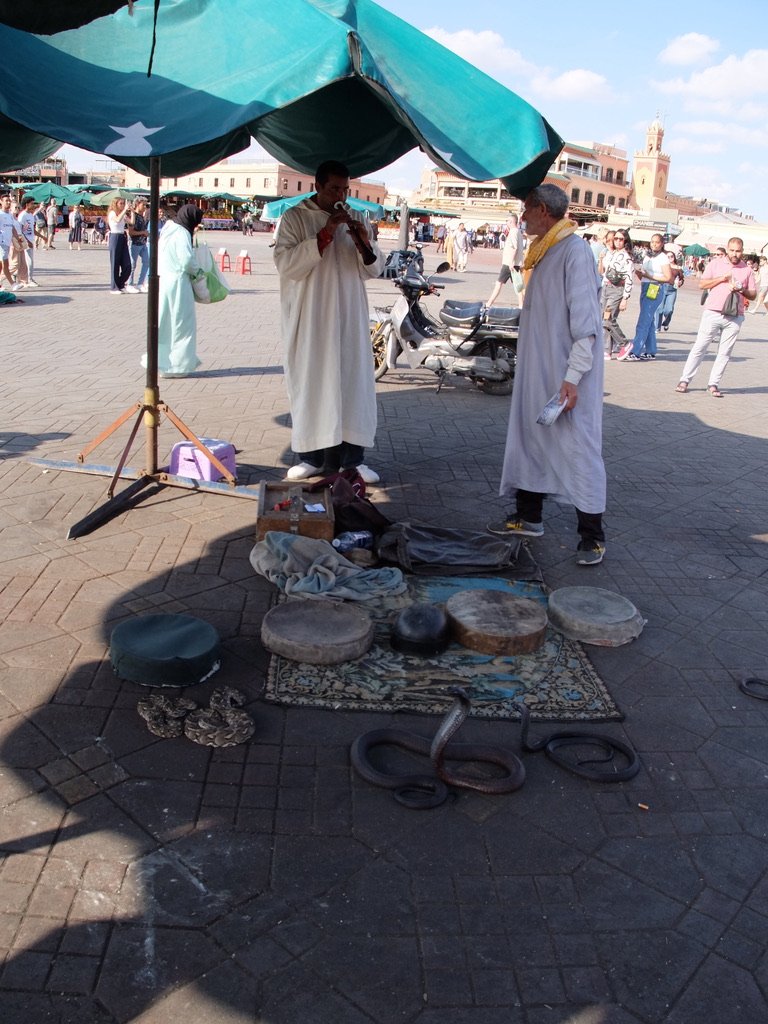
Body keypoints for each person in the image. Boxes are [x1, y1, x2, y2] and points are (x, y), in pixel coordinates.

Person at [487, 184, 607, 566]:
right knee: (530, 439)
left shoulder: (575, 251)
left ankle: (592, 537)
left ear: (542, 210)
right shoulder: (546, 250)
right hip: (538, 371)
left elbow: (586, 323)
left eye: (525, 210)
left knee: (578, 449)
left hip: (565, 375)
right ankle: (529, 517)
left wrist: (572, 377)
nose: (521, 218)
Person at [273, 159, 384, 484]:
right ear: (318, 187)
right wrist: (325, 233)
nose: (342, 195)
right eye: (335, 188)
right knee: (314, 383)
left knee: (352, 384)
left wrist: (364, 240)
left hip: (349, 314)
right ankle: (312, 456)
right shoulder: (294, 218)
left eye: (345, 189)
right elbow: (286, 265)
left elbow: (373, 270)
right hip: (311, 317)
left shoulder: (358, 217)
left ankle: (354, 460)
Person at [675, 237, 756, 398]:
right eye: (732, 250)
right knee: (700, 347)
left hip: (734, 316)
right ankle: (685, 380)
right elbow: (702, 285)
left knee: (724, 352)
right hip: (713, 312)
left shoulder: (747, 270)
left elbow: (753, 295)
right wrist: (721, 279)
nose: (735, 254)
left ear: (742, 251)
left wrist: (741, 289)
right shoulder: (715, 264)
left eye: (738, 251)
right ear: (727, 249)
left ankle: (713, 384)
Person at [141, 204, 203, 377]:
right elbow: (186, 260)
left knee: (164, 323)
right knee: (181, 324)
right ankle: (179, 365)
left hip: (163, 282)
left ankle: (161, 363)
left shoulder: (168, 229)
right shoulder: (182, 233)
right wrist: (198, 271)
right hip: (178, 284)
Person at [616, 233, 673, 361]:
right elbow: (644, 275)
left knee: (644, 319)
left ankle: (635, 351)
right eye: (652, 242)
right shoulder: (648, 255)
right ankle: (651, 349)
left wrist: (649, 276)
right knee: (649, 320)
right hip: (646, 286)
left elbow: (668, 278)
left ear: (662, 243)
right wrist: (639, 272)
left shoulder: (663, 258)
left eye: (657, 242)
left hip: (655, 287)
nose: (654, 244)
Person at [600, 229, 634, 358]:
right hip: (606, 288)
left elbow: (629, 278)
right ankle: (607, 349)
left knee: (608, 319)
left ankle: (624, 344)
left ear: (625, 241)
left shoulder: (626, 257)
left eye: (621, 239)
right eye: (616, 239)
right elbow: (604, 271)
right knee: (604, 318)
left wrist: (625, 298)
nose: (617, 241)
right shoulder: (612, 253)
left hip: (616, 290)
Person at [486, 214, 525, 308]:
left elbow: (514, 248)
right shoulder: (518, 232)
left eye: (507, 221)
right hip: (515, 263)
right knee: (518, 286)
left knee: (499, 283)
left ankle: (488, 304)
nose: (506, 223)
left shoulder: (513, 232)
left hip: (509, 263)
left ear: (511, 221)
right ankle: (521, 305)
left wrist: (511, 261)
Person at [107, 197, 137, 294]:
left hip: (122, 237)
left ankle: (120, 283)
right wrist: (124, 210)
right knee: (115, 263)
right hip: (114, 236)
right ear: (115, 204)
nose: (123, 205)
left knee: (127, 264)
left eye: (124, 203)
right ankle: (114, 287)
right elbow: (117, 220)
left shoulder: (123, 214)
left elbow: (132, 222)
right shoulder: (112, 213)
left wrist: (132, 212)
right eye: (121, 203)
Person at [655, 252, 684, 332]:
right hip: (662, 287)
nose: (670, 258)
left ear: (674, 257)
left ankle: (666, 322)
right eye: (668, 256)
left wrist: (680, 282)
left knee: (669, 310)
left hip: (672, 289)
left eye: (672, 256)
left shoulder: (678, 267)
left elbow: (681, 278)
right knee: (659, 309)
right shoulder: (663, 266)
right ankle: (657, 327)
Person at [0, 193, 23, 290]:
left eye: (9, 201)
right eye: (6, 201)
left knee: (1, 266)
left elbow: (12, 227)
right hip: (1, 243)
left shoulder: (9, 215)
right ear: (1, 202)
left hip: (7, 242)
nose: (8, 202)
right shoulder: (0, 214)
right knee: (6, 264)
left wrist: (18, 238)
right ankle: (13, 284)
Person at [127, 198, 150, 292]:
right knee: (133, 264)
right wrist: (143, 233)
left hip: (143, 243)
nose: (145, 207)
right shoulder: (134, 216)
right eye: (143, 205)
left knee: (147, 261)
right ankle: (129, 283)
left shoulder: (141, 216)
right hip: (134, 243)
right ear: (137, 204)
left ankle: (140, 283)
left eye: (146, 205)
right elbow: (131, 232)